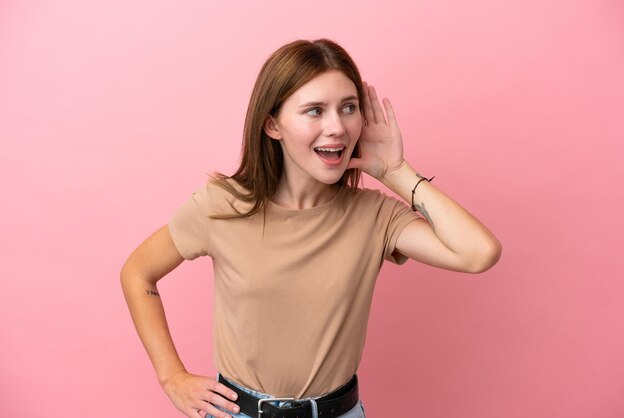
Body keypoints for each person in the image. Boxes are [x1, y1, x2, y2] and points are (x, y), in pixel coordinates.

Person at [120, 38, 502, 418]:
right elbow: (138, 273)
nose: (336, 127)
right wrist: (172, 376)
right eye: (314, 111)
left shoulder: (375, 216)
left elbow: (478, 253)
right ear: (273, 125)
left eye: (348, 108)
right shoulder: (222, 205)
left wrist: (397, 172)